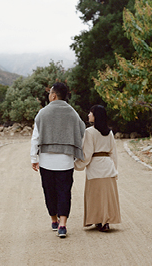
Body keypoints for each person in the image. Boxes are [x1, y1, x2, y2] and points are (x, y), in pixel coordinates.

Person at [31, 82, 85, 238]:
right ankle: (63, 225)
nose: (49, 96)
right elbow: (81, 132)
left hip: (47, 160)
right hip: (66, 161)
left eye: (49, 93)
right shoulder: (72, 113)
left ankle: (53, 220)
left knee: (49, 191)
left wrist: (34, 157)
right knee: (64, 191)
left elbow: (36, 137)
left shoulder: (42, 113)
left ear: (53, 95)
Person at [74, 105, 121, 232]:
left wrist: (76, 165)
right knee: (107, 196)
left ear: (96, 116)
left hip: (95, 166)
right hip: (108, 165)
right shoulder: (109, 132)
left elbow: (87, 154)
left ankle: (99, 221)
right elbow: (113, 153)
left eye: (91, 113)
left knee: (95, 195)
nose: (88, 115)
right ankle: (107, 221)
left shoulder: (89, 132)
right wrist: (114, 170)